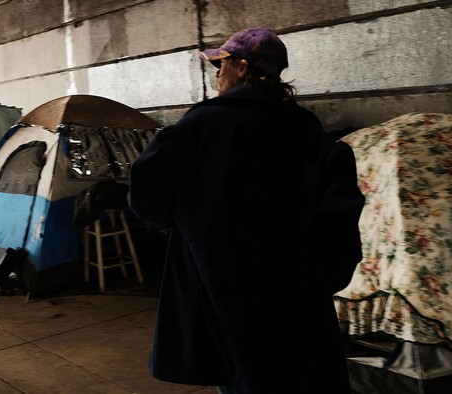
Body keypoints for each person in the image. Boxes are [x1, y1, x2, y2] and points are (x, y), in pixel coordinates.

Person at [128, 28, 366, 393]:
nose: (217, 75)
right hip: (292, 287)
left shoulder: (201, 124)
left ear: (241, 67)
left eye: (220, 65)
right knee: (291, 374)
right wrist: (321, 275)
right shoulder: (305, 128)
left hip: (218, 284)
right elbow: (337, 209)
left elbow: (146, 195)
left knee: (241, 375)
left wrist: (190, 226)